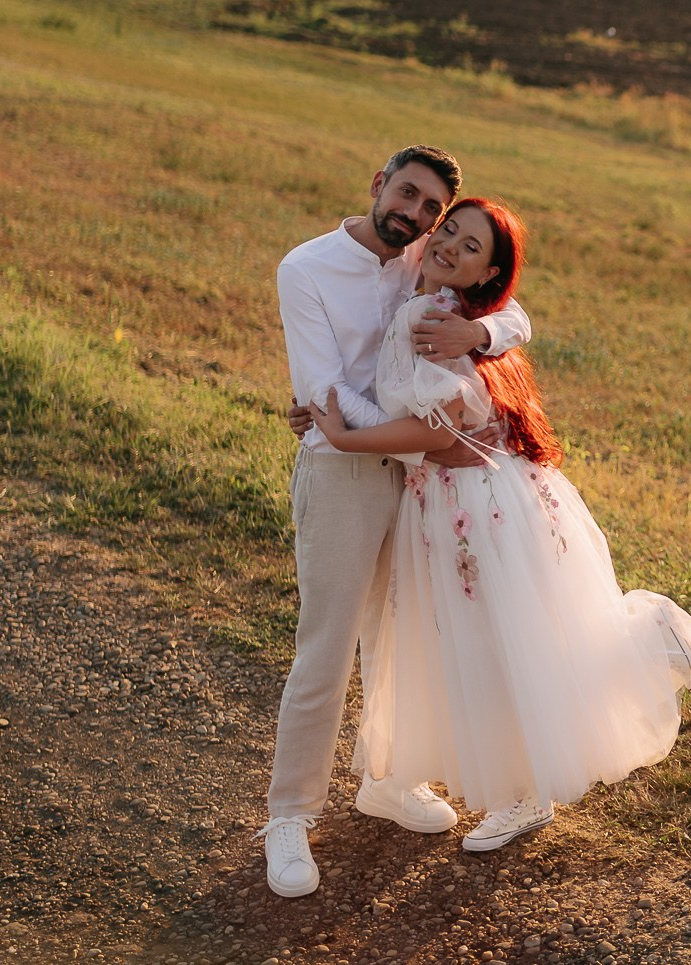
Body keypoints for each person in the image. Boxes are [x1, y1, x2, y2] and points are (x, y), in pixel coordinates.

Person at [307, 196, 691, 854]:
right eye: (452, 231)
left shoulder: (440, 317)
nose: (452, 247)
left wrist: (344, 434)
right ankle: (636, 655)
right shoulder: (444, 299)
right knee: (493, 641)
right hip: (464, 498)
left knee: (500, 645)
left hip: (476, 504)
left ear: (485, 275)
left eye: (473, 248)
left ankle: (527, 792)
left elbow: (436, 430)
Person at [261, 146, 534, 898]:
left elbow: (514, 311)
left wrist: (474, 339)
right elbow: (325, 396)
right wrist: (425, 426)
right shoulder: (306, 269)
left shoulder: (427, 252)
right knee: (328, 646)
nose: (416, 216)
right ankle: (289, 816)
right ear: (379, 184)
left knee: (401, 636)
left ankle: (386, 777)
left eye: (431, 209)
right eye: (407, 193)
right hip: (347, 470)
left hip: (419, 478)